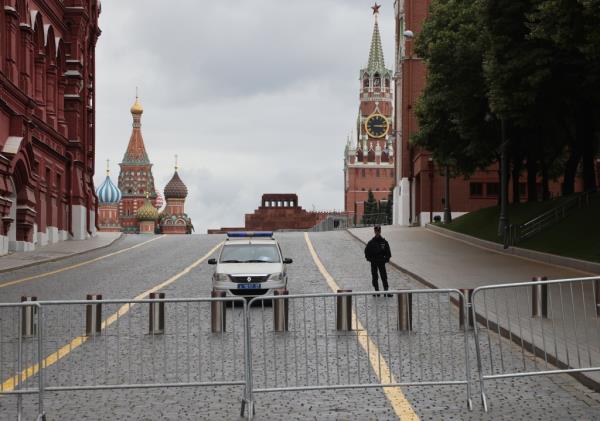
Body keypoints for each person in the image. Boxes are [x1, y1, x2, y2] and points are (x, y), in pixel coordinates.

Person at [364, 225, 392, 297]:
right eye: (376, 231)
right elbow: (366, 252)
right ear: (374, 231)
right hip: (374, 262)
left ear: (380, 231)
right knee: (374, 276)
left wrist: (385, 260)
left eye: (378, 231)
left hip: (381, 262)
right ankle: (377, 291)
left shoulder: (384, 242)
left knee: (384, 276)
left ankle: (386, 291)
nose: (377, 233)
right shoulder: (371, 242)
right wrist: (370, 259)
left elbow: (388, 252)